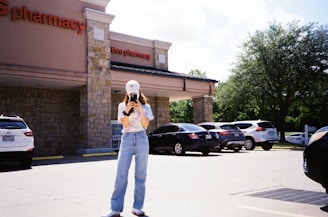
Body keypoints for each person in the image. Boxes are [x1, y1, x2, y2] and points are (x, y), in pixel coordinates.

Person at [102, 80, 154, 217]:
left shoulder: (146, 106)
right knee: (121, 174)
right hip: (127, 139)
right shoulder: (122, 106)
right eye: (130, 94)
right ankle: (115, 208)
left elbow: (145, 125)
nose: (133, 96)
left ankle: (137, 207)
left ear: (139, 92)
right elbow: (125, 125)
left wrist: (140, 109)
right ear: (127, 93)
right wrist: (127, 111)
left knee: (141, 174)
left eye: (135, 94)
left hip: (142, 138)